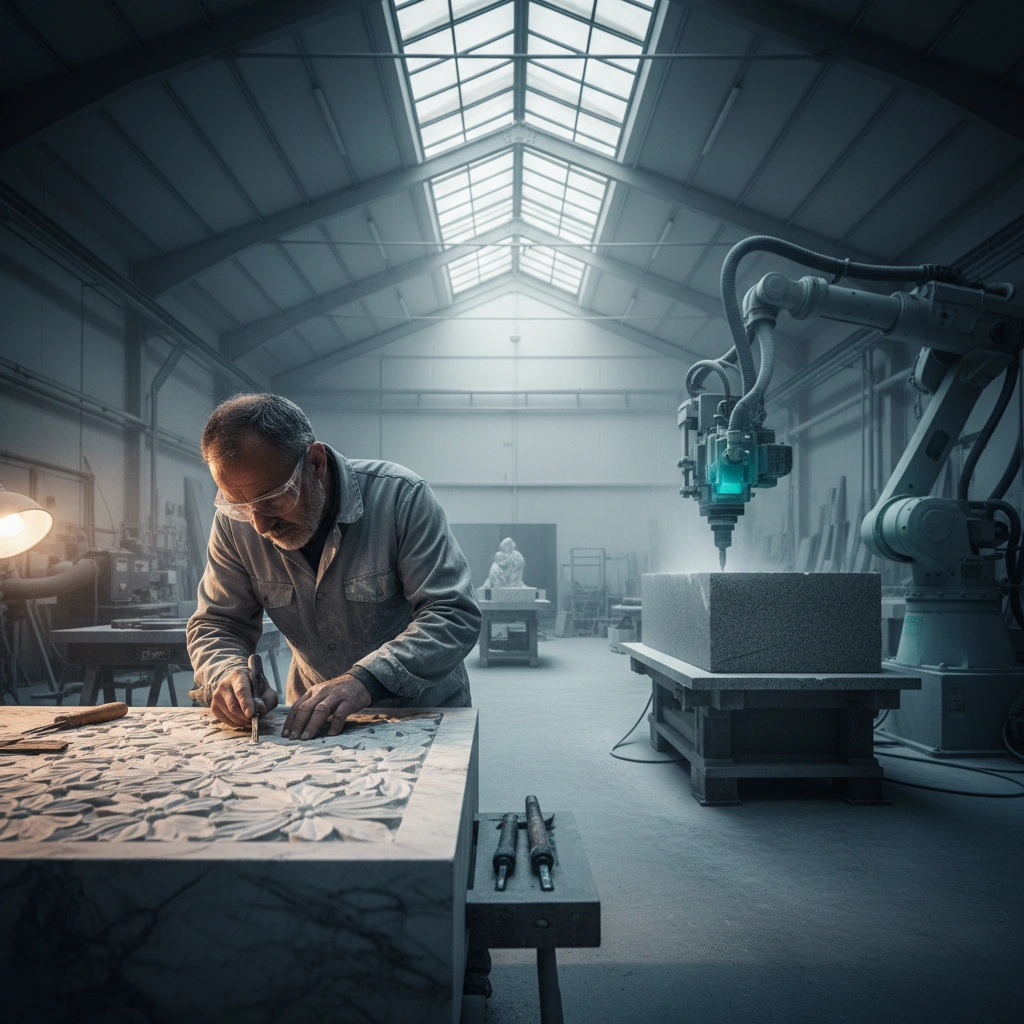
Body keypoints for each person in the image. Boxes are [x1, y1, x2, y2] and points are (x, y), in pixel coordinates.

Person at [186, 393, 481, 740]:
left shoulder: (400, 498)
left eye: (273, 500)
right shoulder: (235, 524)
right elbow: (219, 624)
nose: (259, 525)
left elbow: (452, 613)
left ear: (315, 462)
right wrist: (227, 673)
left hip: (421, 710)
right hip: (315, 719)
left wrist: (365, 680)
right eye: (240, 506)